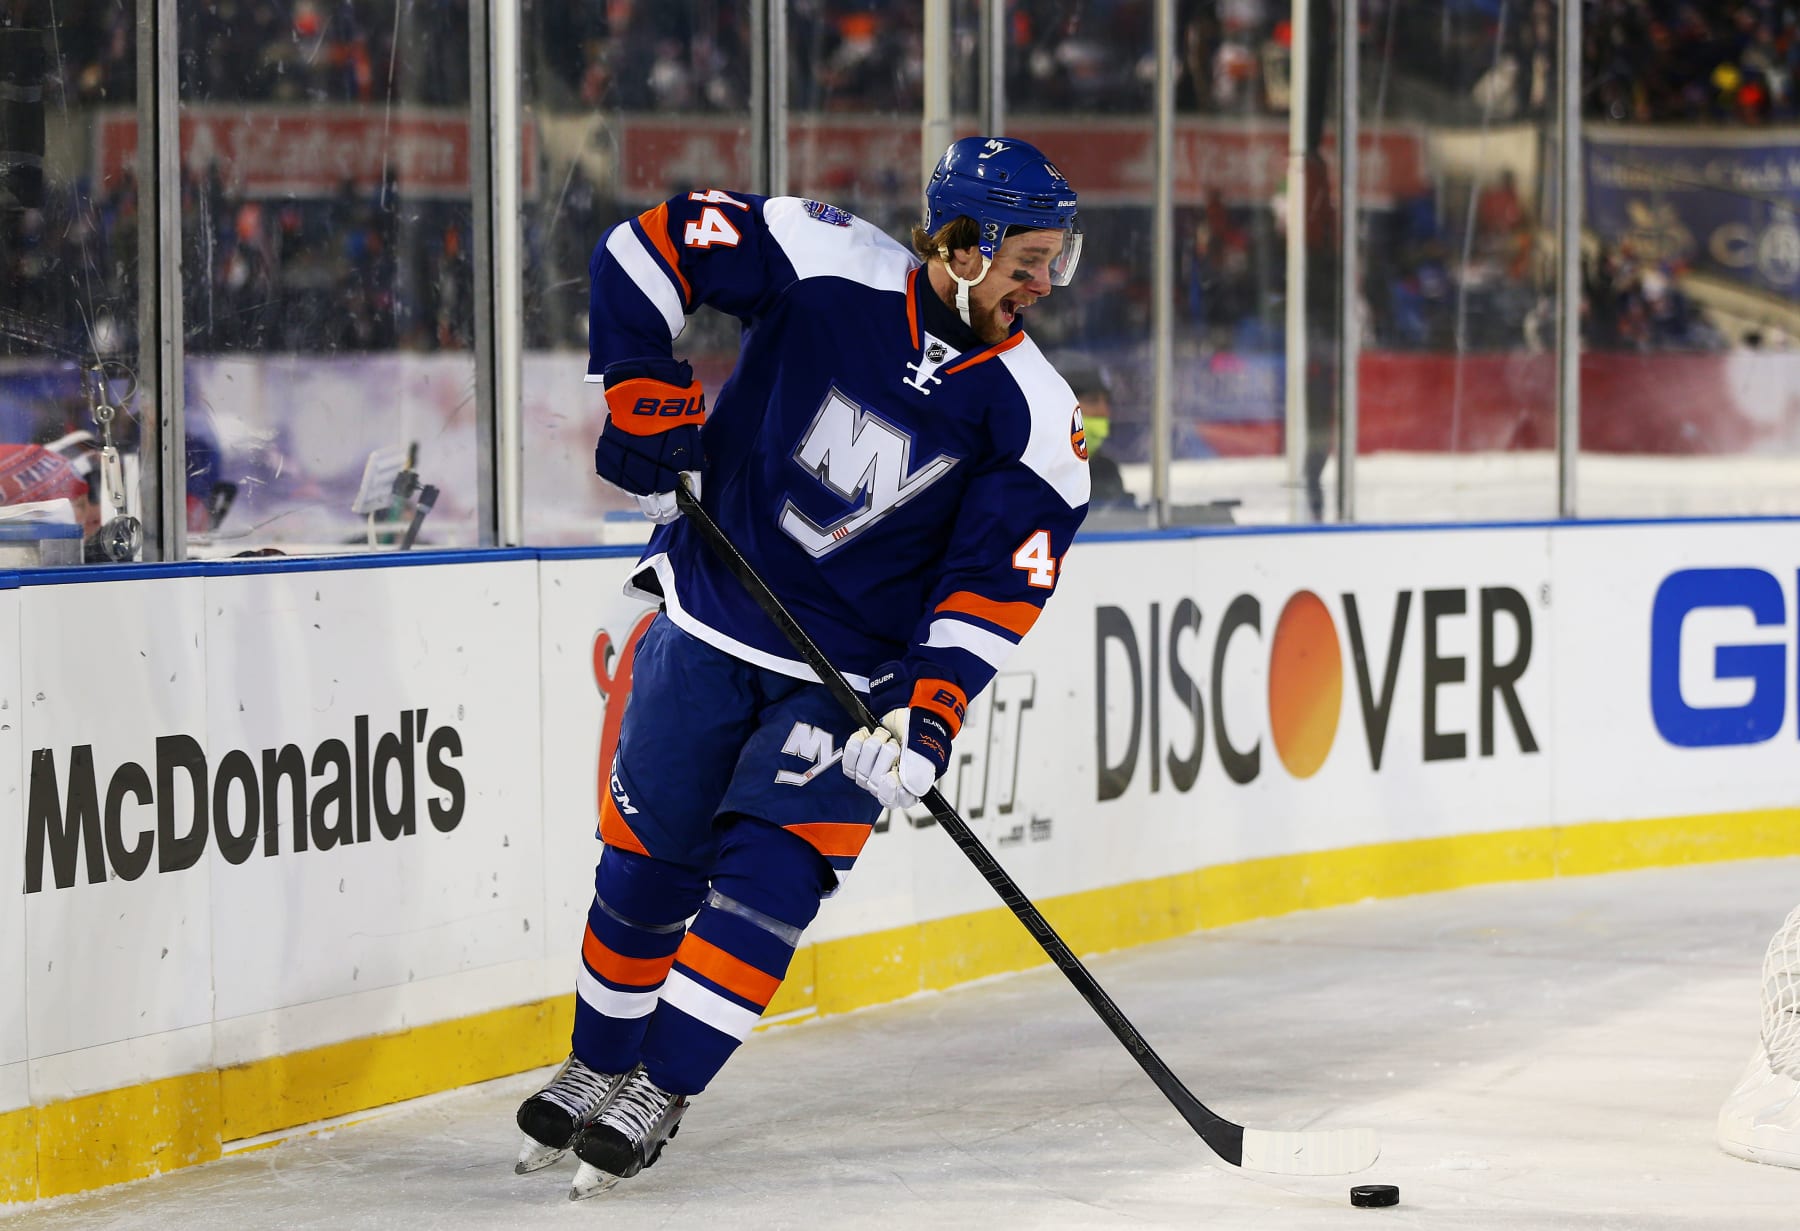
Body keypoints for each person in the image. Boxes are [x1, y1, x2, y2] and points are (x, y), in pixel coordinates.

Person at [516, 136, 1091, 1198]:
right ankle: (595, 1061)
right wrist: (640, 379)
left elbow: (991, 586)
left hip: (850, 688)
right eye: (1031, 260)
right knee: (645, 864)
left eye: (1058, 260)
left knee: (767, 884)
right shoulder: (823, 256)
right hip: (708, 620)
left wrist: (929, 715)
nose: (1046, 285)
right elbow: (641, 252)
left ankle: (662, 1088)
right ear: (963, 245)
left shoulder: (1037, 416)